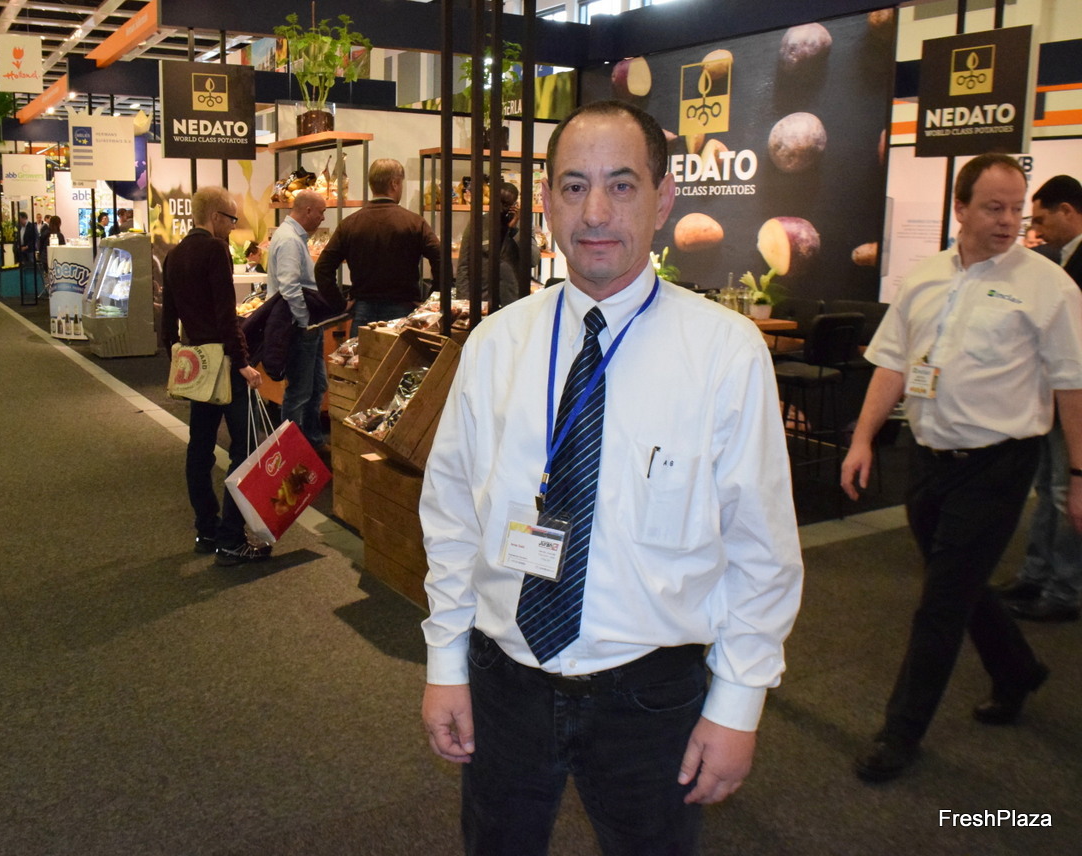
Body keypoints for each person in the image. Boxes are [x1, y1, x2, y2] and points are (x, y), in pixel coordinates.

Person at [419, 100, 803, 854]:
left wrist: (738, 703)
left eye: (622, 185)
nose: (595, 212)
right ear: (546, 201)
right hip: (505, 681)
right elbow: (452, 517)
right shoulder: (496, 345)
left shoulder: (725, 354)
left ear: (664, 200)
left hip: (651, 696)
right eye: (574, 186)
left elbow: (761, 548)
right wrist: (445, 662)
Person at [841, 155, 1082, 784]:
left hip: (999, 465)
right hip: (928, 458)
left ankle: (899, 734)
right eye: (994, 207)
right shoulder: (925, 279)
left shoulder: (1050, 287)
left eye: (1017, 208)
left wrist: (1080, 476)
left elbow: (1072, 386)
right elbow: (893, 364)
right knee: (962, 583)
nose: (1008, 220)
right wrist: (862, 439)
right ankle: (1017, 671)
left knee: (941, 603)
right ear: (961, 208)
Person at [159, 185, 269, 567]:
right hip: (223, 362)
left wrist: (177, 357)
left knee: (200, 448)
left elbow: (167, 321)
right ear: (216, 216)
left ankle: (206, 528)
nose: (233, 226)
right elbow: (226, 315)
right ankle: (231, 539)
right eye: (232, 219)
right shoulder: (215, 250)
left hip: (196, 363)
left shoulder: (174, 254)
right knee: (245, 448)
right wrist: (243, 362)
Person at [992, 175, 1082, 624]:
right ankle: (1036, 575)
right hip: (1050, 395)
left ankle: (1064, 590)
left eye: (1041, 219)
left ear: (1068, 211)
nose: (1036, 229)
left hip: (1073, 397)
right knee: (1048, 490)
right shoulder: (1057, 262)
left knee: (1066, 493)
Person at [315, 158, 442, 329]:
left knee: (361, 347)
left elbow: (322, 268)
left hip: (362, 309)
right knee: (398, 348)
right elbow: (441, 260)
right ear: (394, 183)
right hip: (403, 308)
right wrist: (430, 302)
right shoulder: (414, 223)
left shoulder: (350, 224)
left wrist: (340, 304)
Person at [266, 189, 329, 449]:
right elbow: (289, 287)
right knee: (300, 392)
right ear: (308, 210)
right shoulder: (291, 240)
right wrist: (305, 322)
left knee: (316, 386)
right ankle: (291, 450)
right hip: (299, 326)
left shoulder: (291, 237)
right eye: (321, 212)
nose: (322, 218)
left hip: (305, 326)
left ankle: (311, 442)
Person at [455, 181, 530, 309]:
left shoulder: (522, 225)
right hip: (482, 298)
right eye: (497, 202)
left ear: (514, 205)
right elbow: (464, 264)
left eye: (505, 204)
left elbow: (532, 259)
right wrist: (464, 301)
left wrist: (514, 229)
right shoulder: (477, 223)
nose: (500, 208)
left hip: (511, 300)